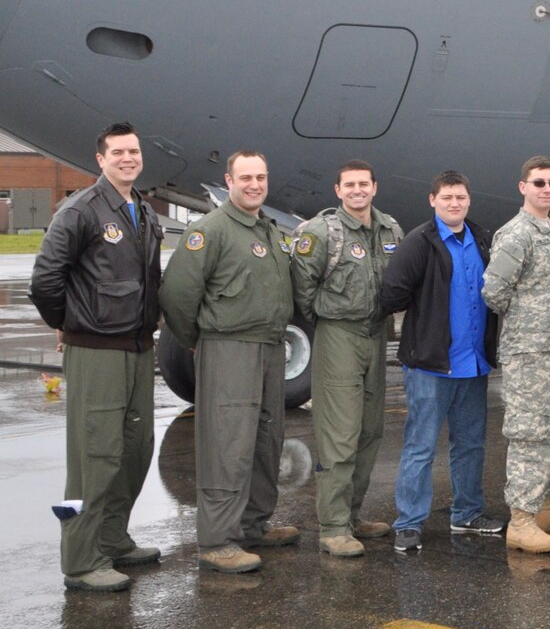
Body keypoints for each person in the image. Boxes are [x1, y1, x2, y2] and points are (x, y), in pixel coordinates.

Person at [32, 123, 165, 592]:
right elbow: (46, 279)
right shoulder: (82, 210)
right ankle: (81, 559)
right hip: (96, 351)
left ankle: (112, 538)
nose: (128, 158)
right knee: (93, 457)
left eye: (133, 151)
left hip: (136, 347)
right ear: (101, 159)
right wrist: (68, 323)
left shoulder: (142, 211)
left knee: (134, 449)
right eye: (118, 152)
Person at [158, 151, 297, 574]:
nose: (254, 185)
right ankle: (218, 541)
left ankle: (253, 524)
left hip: (270, 347)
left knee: (264, 439)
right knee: (227, 444)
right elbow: (177, 295)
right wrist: (198, 341)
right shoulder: (211, 230)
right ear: (229, 180)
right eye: (246, 178)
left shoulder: (268, 231)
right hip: (229, 347)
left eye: (261, 177)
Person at [378, 171, 502, 552]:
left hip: (474, 364)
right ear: (432, 200)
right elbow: (391, 295)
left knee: (471, 445)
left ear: (468, 200)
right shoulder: (419, 243)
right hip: (432, 365)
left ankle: (467, 513)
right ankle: (409, 523)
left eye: (461, 197)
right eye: (447, 197)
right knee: (421, 446)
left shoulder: (481, 239)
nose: (454, 203)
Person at [290, 160, 402, 558]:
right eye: (349, 185)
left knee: (370, 431)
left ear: (375, 187)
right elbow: (302, 290)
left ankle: (353, 516)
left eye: (364, 184)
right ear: (338, 190)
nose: (357, 190)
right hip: (338, 334)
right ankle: (333, 526)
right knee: (339, 434)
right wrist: (329, 316)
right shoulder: (322, 233)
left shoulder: (390, 229)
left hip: (375, 334)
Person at [481, 156, 550, 553]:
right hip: (530, 351)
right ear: (523, 186)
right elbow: (494, 291)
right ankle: (521, 519)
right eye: (539, 183)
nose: (547, 190)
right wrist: (527, 321)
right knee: (531, 434)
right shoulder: (517, 233)